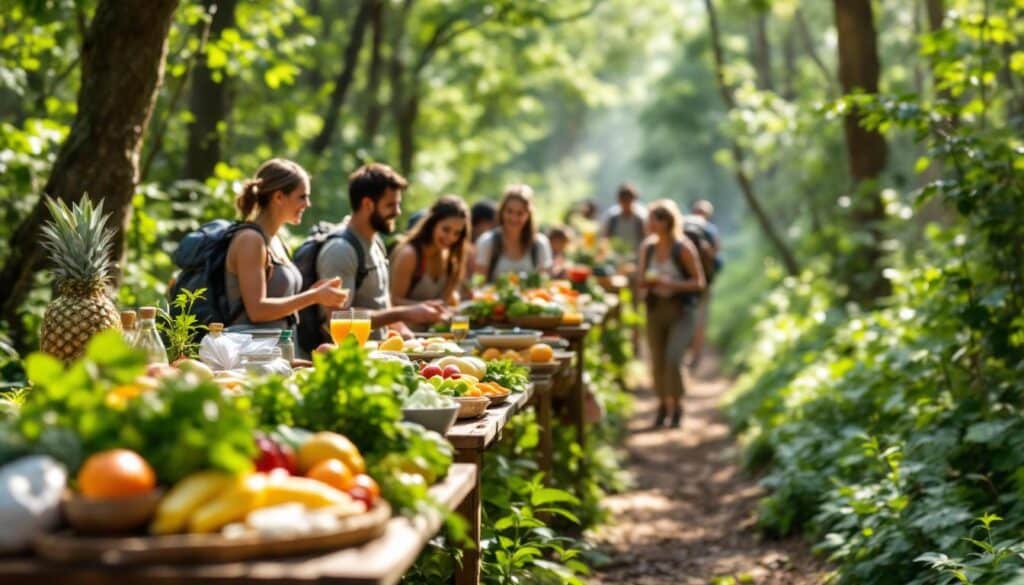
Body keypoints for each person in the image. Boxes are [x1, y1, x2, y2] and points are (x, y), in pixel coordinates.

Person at [316, 163, 448, 340]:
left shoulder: (376, 242)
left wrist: (403, 331)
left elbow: (379, 306)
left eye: (398, 204)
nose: (398, 212)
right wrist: (403, 313)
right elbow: (338, 318)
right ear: (368, 204)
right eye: (390, 205)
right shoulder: (341, 250)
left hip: (380, 355)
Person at [224, 158, 349, 332]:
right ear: (278, 197)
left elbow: (280, 302)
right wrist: (313, 297)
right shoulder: (250, 240)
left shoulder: (277, 241)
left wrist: (315, 293)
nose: (308, 204)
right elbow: (257, 310)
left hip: (279, 351)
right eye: (302, 197)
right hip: (251, 354)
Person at [638, 199, 706, 428]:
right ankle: (661, 405)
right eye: (650, 219)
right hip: (655, 309)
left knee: (673, 359)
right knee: (657, 361)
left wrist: (672, 284)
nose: (651, 224)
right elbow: (640, 280)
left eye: (655, 219)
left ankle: (676, 405)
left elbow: (699, 282)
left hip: (681, 310)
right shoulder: (647, 248)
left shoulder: (683, 247)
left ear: (667, 222)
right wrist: (647, 284)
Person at [390, 195, 470, 310]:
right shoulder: (410, 254)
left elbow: (445, 304)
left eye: (457, 233)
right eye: (446, 229)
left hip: (436, 327)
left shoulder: (451, 260)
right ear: (432, 224)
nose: (450, 238)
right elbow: (393, 301)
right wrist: (425, 308)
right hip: (402, 327)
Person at [474, 184, 553, 282]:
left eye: (520, 213)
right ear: (502, 212)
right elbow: (479, 283)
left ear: (528, 215)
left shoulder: (540, 244)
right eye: (509, 211)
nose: (514, 218)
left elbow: (544, 283)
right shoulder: (487, 242)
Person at [687, 199, 721, 370]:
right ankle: (695, 356)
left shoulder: (682, 226)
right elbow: (717, 256)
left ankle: (691, 355)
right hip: (703, 283)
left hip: (688, 283)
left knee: (692, 319)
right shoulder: (710, 230)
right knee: (700, 320)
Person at [600, 183, 647, 253]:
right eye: (623, 199)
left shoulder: (641, 217)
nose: (626, 203)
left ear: (633, 199)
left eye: (628, 200)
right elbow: (605, 237)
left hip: (637, 256)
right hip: (615, 256)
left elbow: (645, 239)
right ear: (619, 200)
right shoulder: (612, 217)